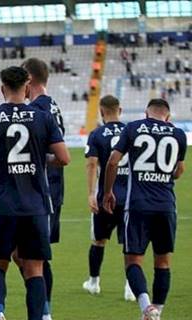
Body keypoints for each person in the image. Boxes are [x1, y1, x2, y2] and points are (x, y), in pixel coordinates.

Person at [0, 66, 70, 320]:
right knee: (34, 268)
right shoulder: (42, 117)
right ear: (27, 88)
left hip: (3, 204)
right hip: (36, 204)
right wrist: (37, 159)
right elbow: (63, 157)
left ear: (3, 89)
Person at [102, 98, 187, 320]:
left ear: (146, 114)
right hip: (166, 205)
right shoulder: (178, 134)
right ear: (167, 116)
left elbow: (113, 161)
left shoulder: (133, 128)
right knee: (163, 262)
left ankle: (146, 306)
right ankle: (157, 311)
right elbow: (178, 171)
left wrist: (108, 192)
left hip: (138, 205)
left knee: (133, 260)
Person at [22, 58, 66, 320]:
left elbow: (53, 152)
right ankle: (44, 310)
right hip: (52, 188)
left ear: (29, 79)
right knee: (33, 256)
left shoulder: (39, 108)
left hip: (43, 190)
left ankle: (44, 312)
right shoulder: (53, 106)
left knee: (33, 257)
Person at [81, 95, 136, 301]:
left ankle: (94, 282)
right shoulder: (131, 131)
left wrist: (90, 193)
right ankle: (130, 288)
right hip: (130, 197)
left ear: (102, 112)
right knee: (130, 245)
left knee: (98, 241)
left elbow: (91, 164)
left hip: (105, 195)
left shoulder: (96, 134)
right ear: (119, 111)